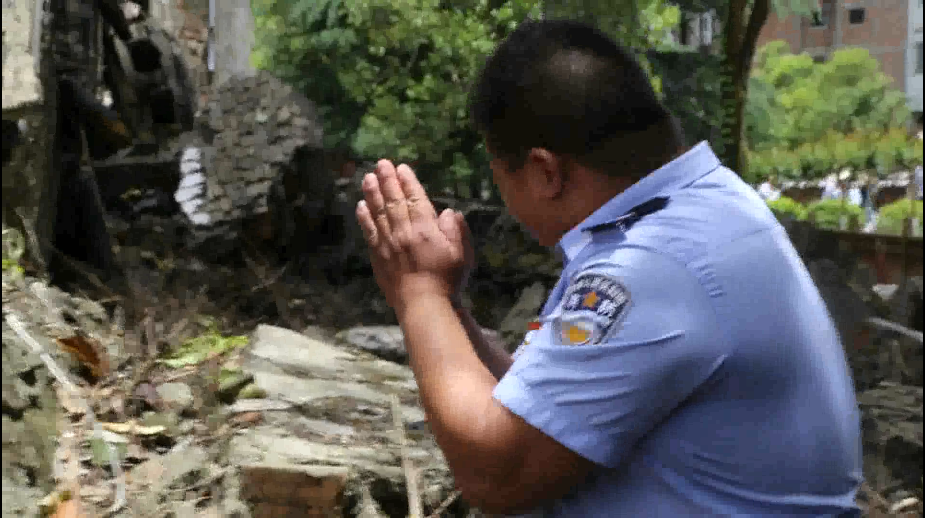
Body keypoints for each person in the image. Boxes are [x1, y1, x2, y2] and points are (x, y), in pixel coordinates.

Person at [355, 20, 862, 516]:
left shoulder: (652, 265)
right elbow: (545, 413)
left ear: (544, 171)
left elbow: (498, 473)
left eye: (498, 171)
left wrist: (417, 291)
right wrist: (449, 306)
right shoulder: (703, 207)